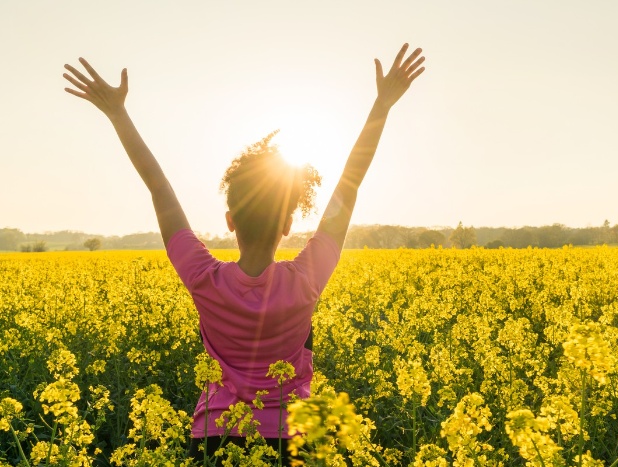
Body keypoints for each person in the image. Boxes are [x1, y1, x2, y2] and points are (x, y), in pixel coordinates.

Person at [63, 43, 425, 465]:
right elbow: (350, 184)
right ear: (288, 226)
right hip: (293, 436)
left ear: (230, 220)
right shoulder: (306, 279)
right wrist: (382, 104)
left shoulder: (203, 277)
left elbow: (159, 188)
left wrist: (118, 114)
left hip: (217, 435)